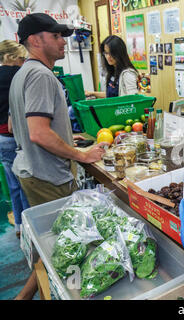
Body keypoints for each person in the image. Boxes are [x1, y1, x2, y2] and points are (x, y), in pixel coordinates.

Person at [9, 13, 108, 300]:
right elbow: (38, 133)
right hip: (48, 175)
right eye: (55, 36)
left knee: (52, 245)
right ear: (34, 40)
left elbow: (20, 126)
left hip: (31, 169)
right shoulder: (40, 75)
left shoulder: (22, 74)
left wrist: (64, 136)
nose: (63, 41)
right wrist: (81, 154)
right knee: (67, 249)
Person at [0, 40, 30, 238]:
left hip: (1, 138)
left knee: (13, 186)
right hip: (15, 137)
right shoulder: (16, 77)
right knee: (26, 187)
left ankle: (19, 226)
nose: (23, 62)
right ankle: (30, 230)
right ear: (11, 57)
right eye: (21, 58)